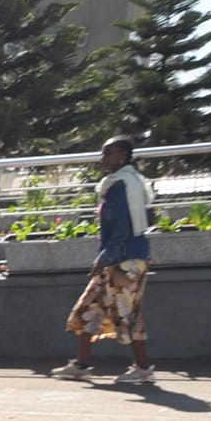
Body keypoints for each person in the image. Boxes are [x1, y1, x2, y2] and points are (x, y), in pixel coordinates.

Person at [52, 135, 154, 385]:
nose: (102, 158)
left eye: (107, 153)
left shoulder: (122, 185)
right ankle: (81, 365)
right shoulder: (129, 183)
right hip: (122, 258)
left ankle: (143, 368)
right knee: (89, 308)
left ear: (122, 155)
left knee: (127, 314)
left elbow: (121, 229)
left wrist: (104, 258)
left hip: (124, 260)